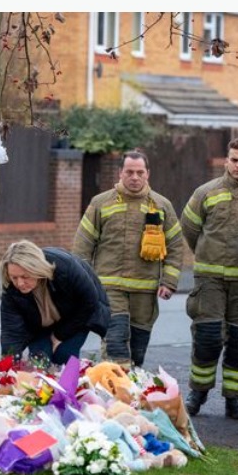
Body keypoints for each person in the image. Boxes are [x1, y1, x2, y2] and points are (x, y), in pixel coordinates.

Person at [181, 137, 238, 420]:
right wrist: (206, 253)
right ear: (226, 161)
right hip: (209, 278)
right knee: (207, 336)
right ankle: (197, 392)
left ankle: (234, 397)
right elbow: (190, 228)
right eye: (234, 159)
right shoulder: (205, 192)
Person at [72, 150, 184, 368]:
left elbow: (176, 245)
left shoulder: (162, 206)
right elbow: (82, 246)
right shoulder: (100, 203)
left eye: (139, 172)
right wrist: (84, 284)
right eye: (129, 172)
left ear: (147, 174)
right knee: (115, 341)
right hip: (109, 287)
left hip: (146, 290)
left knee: (138, 350)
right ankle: (114, 391)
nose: (135, 177)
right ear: (120, 173)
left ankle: (130, 392)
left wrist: (169, 281)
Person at [0, 240, 110, 365]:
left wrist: (59, 336)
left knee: (64, 356)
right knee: (39, 361)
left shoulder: (65, 268)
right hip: (40, 326)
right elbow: (11, 330)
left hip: (75, 317)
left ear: (36, 269)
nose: (19, 283)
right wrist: (8, 364)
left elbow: (89, 302)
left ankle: (72, 383)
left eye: (25, 277)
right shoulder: (11, 289)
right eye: (14, 277)